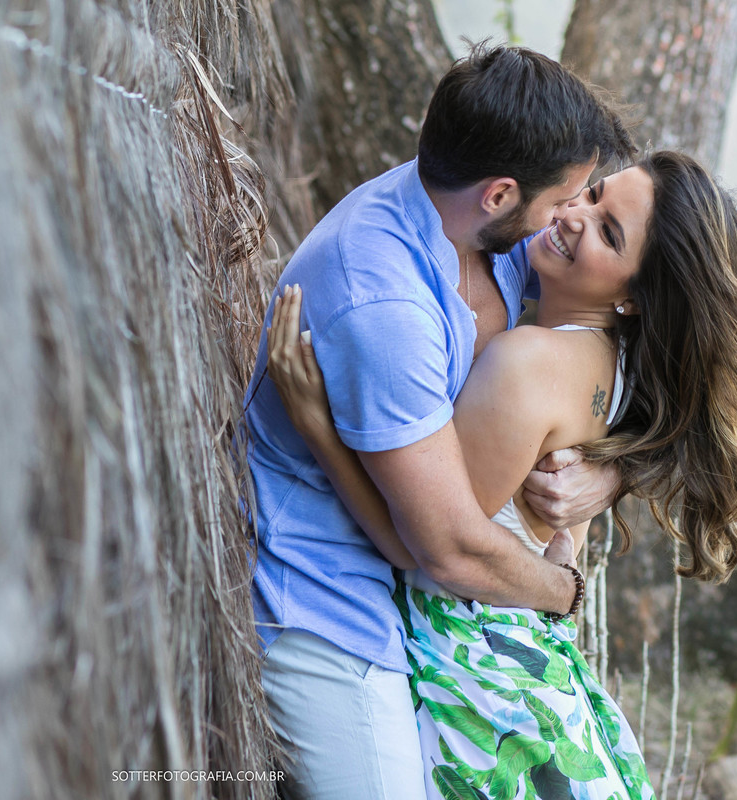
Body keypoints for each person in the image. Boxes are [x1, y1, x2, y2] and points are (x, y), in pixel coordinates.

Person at [267, 150, 737, 798]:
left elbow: (423, 551)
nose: (571, 216)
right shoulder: (618, 370)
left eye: (607, 232)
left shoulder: (527, 362)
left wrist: (316, 426)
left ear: (631, 299)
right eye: (593, 196)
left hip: (473, 657)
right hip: (530, 643)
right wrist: (612, 474)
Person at [243, 42, 635, 799]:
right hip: (329, 585)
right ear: (499, 194)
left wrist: (608, 473)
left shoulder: (498, 238)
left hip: (431, 591)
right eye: (565, 201)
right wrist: (563, 592)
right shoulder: (386, 304)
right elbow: (445, 552)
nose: (569, 220)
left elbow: (662, 376)